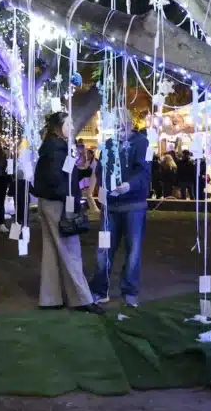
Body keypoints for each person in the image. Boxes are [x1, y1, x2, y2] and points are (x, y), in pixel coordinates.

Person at [33, 112, 102, 314]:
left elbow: (60, 174)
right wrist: (69, 197)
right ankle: (81, 298)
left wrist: (81, 172)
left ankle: (50, 297)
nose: (72, 127)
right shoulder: (56, 148)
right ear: (58, 126)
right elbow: (56, 179)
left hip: (50, 202)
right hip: (58, 204)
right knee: (70, 249)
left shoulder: (53, 146)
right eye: (69, 123)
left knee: (53, 250)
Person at [90, 109, 151, 307]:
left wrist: (129, 185)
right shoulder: (108, 145)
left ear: (130, 124)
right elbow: (100, 170)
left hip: (134, 204)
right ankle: (100, 289)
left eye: (121, 127)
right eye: (115, 127)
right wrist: (102, 188)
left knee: (133, 250)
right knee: (104, 249)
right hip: (112, 205)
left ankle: (129, 291)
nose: (118, 132)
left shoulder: (141, 143)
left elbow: (144, 171)